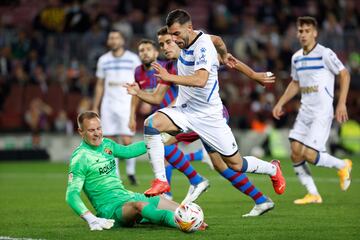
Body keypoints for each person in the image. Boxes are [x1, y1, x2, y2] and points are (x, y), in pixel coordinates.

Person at [140, 9, 286, 216]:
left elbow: (200, 80)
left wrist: (253, 75)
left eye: (176, 35)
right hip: (186, 112)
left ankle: (272, 169)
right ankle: (162, 181)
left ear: (189, 28)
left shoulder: (203, 48)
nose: (173, 40)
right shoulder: (194, 41)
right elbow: (218, 39)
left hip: (209, 116)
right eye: (169, 37)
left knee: (235, 164)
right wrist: (226, 55)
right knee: (151, 124)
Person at [65, 111, 206, 231]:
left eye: (99, 128)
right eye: (91, 130)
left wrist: (157, 139)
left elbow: (128, 151)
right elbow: (71, 195)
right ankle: (182, 223)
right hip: (111, 209)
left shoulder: (106, 144)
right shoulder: (80, 158)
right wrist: (91, 219)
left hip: (127, 196)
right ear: (80, 132)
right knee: (140, 206)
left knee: (164, 202)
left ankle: (193, 220)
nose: (97, 134)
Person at [272, 16, 352, 205]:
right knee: (295, 152)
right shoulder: (297, 57)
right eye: (300, 31)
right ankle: (313, 194)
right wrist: (280, 103)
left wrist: (341, 103)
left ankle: (343, 165)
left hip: (322, 111)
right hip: (305, 111)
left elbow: (344, 73)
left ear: (315, 33)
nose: (303, 34)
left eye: (307, 31)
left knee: (308, 153)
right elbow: (295, 83)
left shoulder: (325, 53)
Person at [130, 38, 208, 200]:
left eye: (148, 49)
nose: (144, 53)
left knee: (165, 150)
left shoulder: (166, 68)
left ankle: (187, 181)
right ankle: (174, 188)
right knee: (165, 154)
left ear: (156, 53)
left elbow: (183, 92)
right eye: (141, 50)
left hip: (174, 117)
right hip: (158, 120)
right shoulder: (138, 71)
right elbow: (139, 93)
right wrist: (132, 114)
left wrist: (170, 109)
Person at [93, 30, 141, 185]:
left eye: (116, 38)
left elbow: (139, 81)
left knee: (127, 140)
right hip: (108, 104)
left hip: (126, 103)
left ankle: (131, 173)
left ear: (122, 41)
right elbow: (100, 84)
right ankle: (116, 176)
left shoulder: (133, 59)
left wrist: (142, 99)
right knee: (109, 141)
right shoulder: (103, 60)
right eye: (111, 38)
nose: (113, 40)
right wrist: (95, 106)